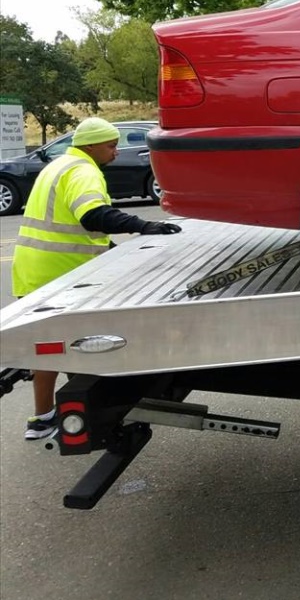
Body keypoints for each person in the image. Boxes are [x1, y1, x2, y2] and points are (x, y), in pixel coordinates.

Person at [11, 117, 181, 440]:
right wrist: (144, 225)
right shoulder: (83, 171)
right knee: (80, 344)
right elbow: (93, 217)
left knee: (47, 348)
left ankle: (43, 418)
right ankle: (88, 408)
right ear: (90, 146)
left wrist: (113, 251)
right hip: (60, 276)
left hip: (34, 271)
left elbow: (73, 224)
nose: (116, 152)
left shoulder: (58, 166)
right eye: (110, 145)